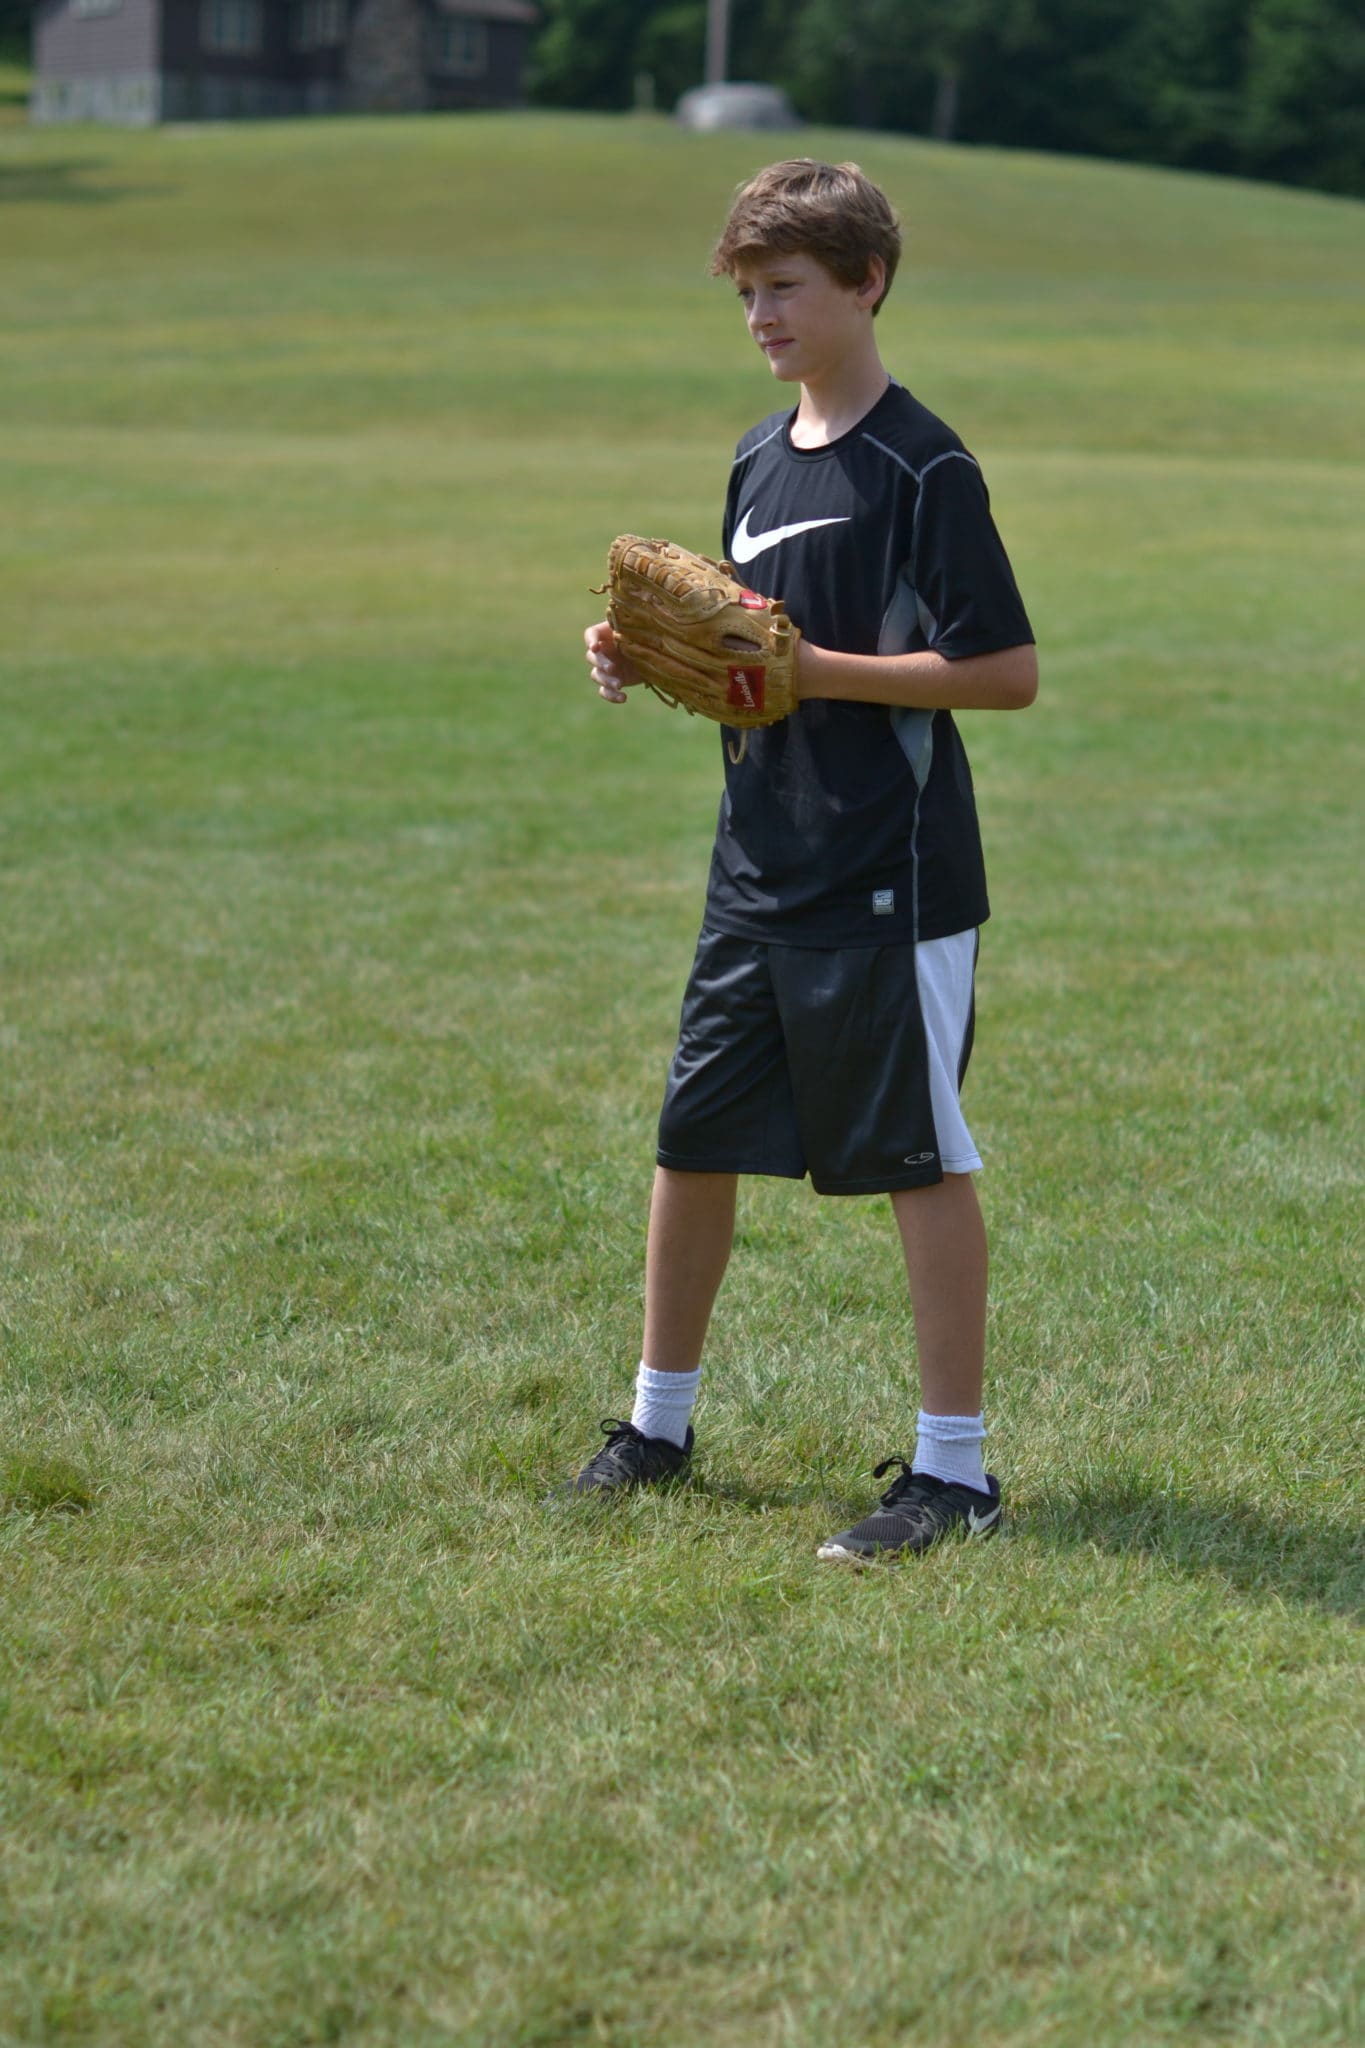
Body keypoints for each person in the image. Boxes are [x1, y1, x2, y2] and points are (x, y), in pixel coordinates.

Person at [570, 159, 1037, 1560]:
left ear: (866, 282)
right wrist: (642, 655)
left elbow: (1003, 671)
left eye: (784, 287)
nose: (760, 315)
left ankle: (954, 1473)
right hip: (757, 863)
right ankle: (657, 1427)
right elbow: (742, 661)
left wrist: (818, 667)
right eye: (745, 294)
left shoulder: (923, 466)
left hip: (889, 874)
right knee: (692, 1139)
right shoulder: (755, 458)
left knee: (917, 1158)